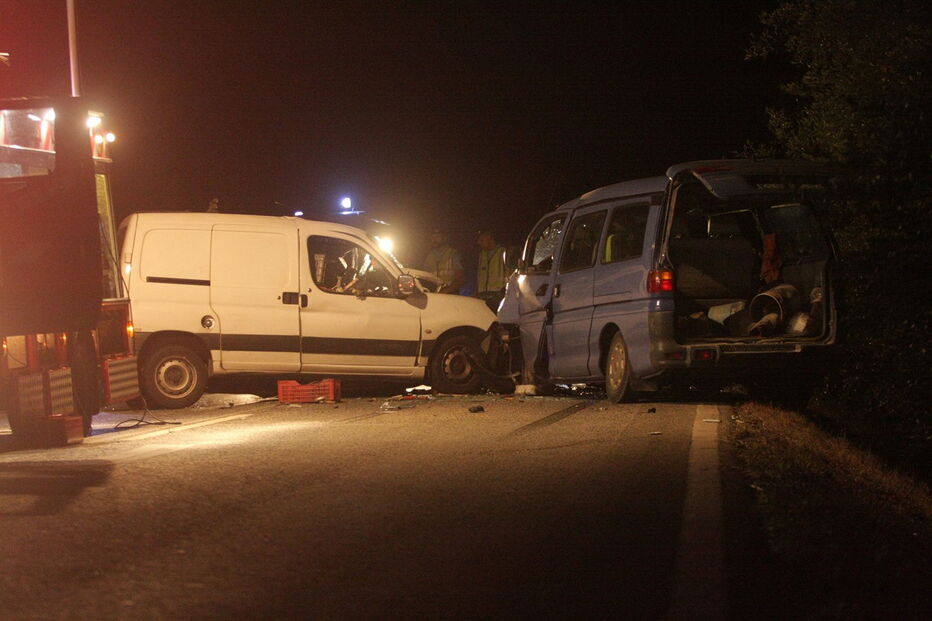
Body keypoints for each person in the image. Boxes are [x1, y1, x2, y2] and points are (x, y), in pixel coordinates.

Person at [421, 229, 465, 294]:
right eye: (432, 237)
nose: (434, 240)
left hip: (450, 295)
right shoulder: (429, 257)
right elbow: (424, 278)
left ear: (445, 238)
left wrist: (445, 291)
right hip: (434, 294)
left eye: (437, 237)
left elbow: (461, 278)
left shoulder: (453, 254)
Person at [476, 230, 508, 311]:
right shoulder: (482, 255)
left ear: (489, 237)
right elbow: (480, 276)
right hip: (483, 297)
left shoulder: (503, 252)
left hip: (498, 296)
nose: (479, 242)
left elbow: (510, 274)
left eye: (481, 239)